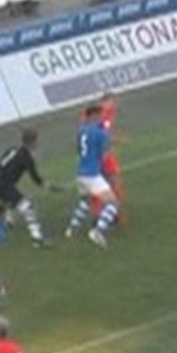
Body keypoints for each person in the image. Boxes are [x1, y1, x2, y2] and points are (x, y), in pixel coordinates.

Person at [64, 102, 120, 247]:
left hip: (80, 173)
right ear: (94, 115)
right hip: (92, 175)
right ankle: (98, 231)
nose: (102, 117)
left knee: (86, 201)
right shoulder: (99, 132)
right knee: (113, 203)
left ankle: (71, 229)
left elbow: (79, 150)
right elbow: (105, 154)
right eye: (100, 114)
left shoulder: (81, 131)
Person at [0, 129, 49, 248]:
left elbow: (2, 165)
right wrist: (47, 185)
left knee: (12, 200)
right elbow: (35, 178)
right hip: (3, 184)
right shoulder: (26, 157)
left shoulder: (12, 150)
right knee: (27, 206)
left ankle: (8, 222)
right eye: (36, 141)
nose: (38, 144)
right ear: (32, 142)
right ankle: (37, 238)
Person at [83, 91, 126, 228]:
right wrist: (118, 140)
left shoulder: (89, 115)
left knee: (99, 184)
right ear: (105, 101)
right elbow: (103, 135)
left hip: (91, 156)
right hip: (103, 155)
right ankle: (112, 214)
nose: (114, 105)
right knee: (114, 181)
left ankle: (99, 214)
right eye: (112, 102)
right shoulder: (105, 114)